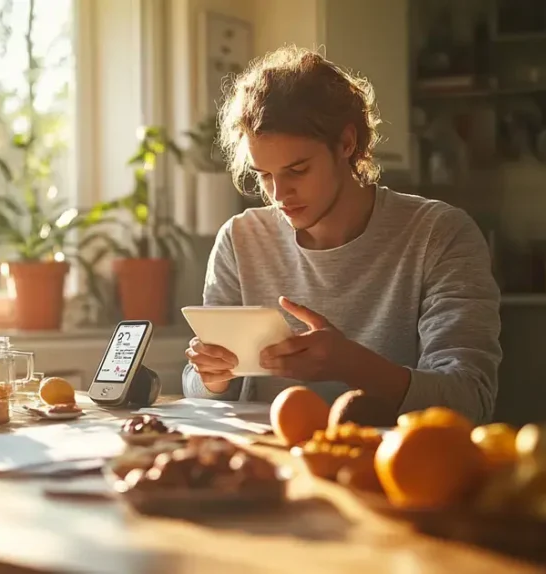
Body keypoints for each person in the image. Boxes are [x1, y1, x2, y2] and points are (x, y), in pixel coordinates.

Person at [182, 46, 502, 424]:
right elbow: (198, 386)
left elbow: (469, 397)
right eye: (264, 175)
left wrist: (351, 364)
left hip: (391, 465)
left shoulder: (439, 234)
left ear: (346, 143)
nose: (279, 195)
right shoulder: (241, 238)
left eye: (297, 170)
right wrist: (212, 375)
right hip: (265, 462)